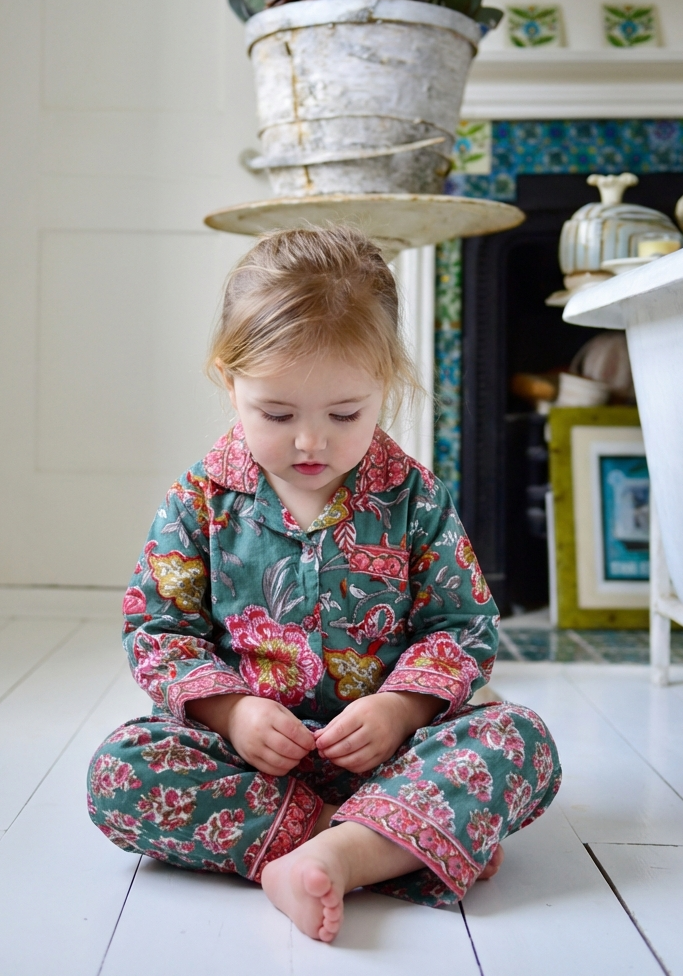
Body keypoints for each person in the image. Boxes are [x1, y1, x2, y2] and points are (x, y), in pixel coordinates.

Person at [87, 226, 561, 943]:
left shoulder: (414, 499)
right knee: (117, 774)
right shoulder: (200, 501)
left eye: (345, 415)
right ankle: (392, 844)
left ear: (386, 386)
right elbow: (159, 632)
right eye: (277, 415)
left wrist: (401, 710)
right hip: (252, 767)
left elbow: (461, 626)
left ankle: (346, 850)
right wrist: (232, 714)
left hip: (395, 757)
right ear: (229, 380)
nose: (311, 442)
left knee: (521, 741)